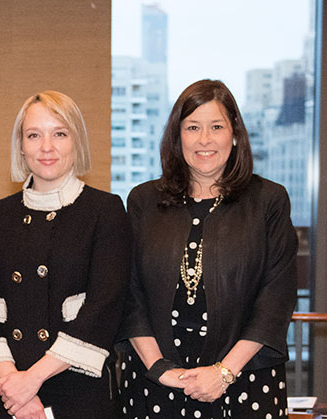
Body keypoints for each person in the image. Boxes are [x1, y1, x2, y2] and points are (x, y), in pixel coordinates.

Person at [118, 79, 297, 418]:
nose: (204, 140)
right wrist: (159, 368)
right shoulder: (143, 201)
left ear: (235, 134)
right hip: (156, 384)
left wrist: (224, 372)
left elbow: (276, 299)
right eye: (192, 127)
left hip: (245, 382)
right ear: (177, 136)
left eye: (216, 126)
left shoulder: (268, 201)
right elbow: (129, 295)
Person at [0, 91, 131, 419]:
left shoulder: (105, 210)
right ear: (20, 146)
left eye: (59, 133)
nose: (46, 146)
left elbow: (105, 307)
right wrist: (15, 383)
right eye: (34, 135)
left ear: (77, 142)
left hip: (81, 390)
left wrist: (34, 379)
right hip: (12, 395)